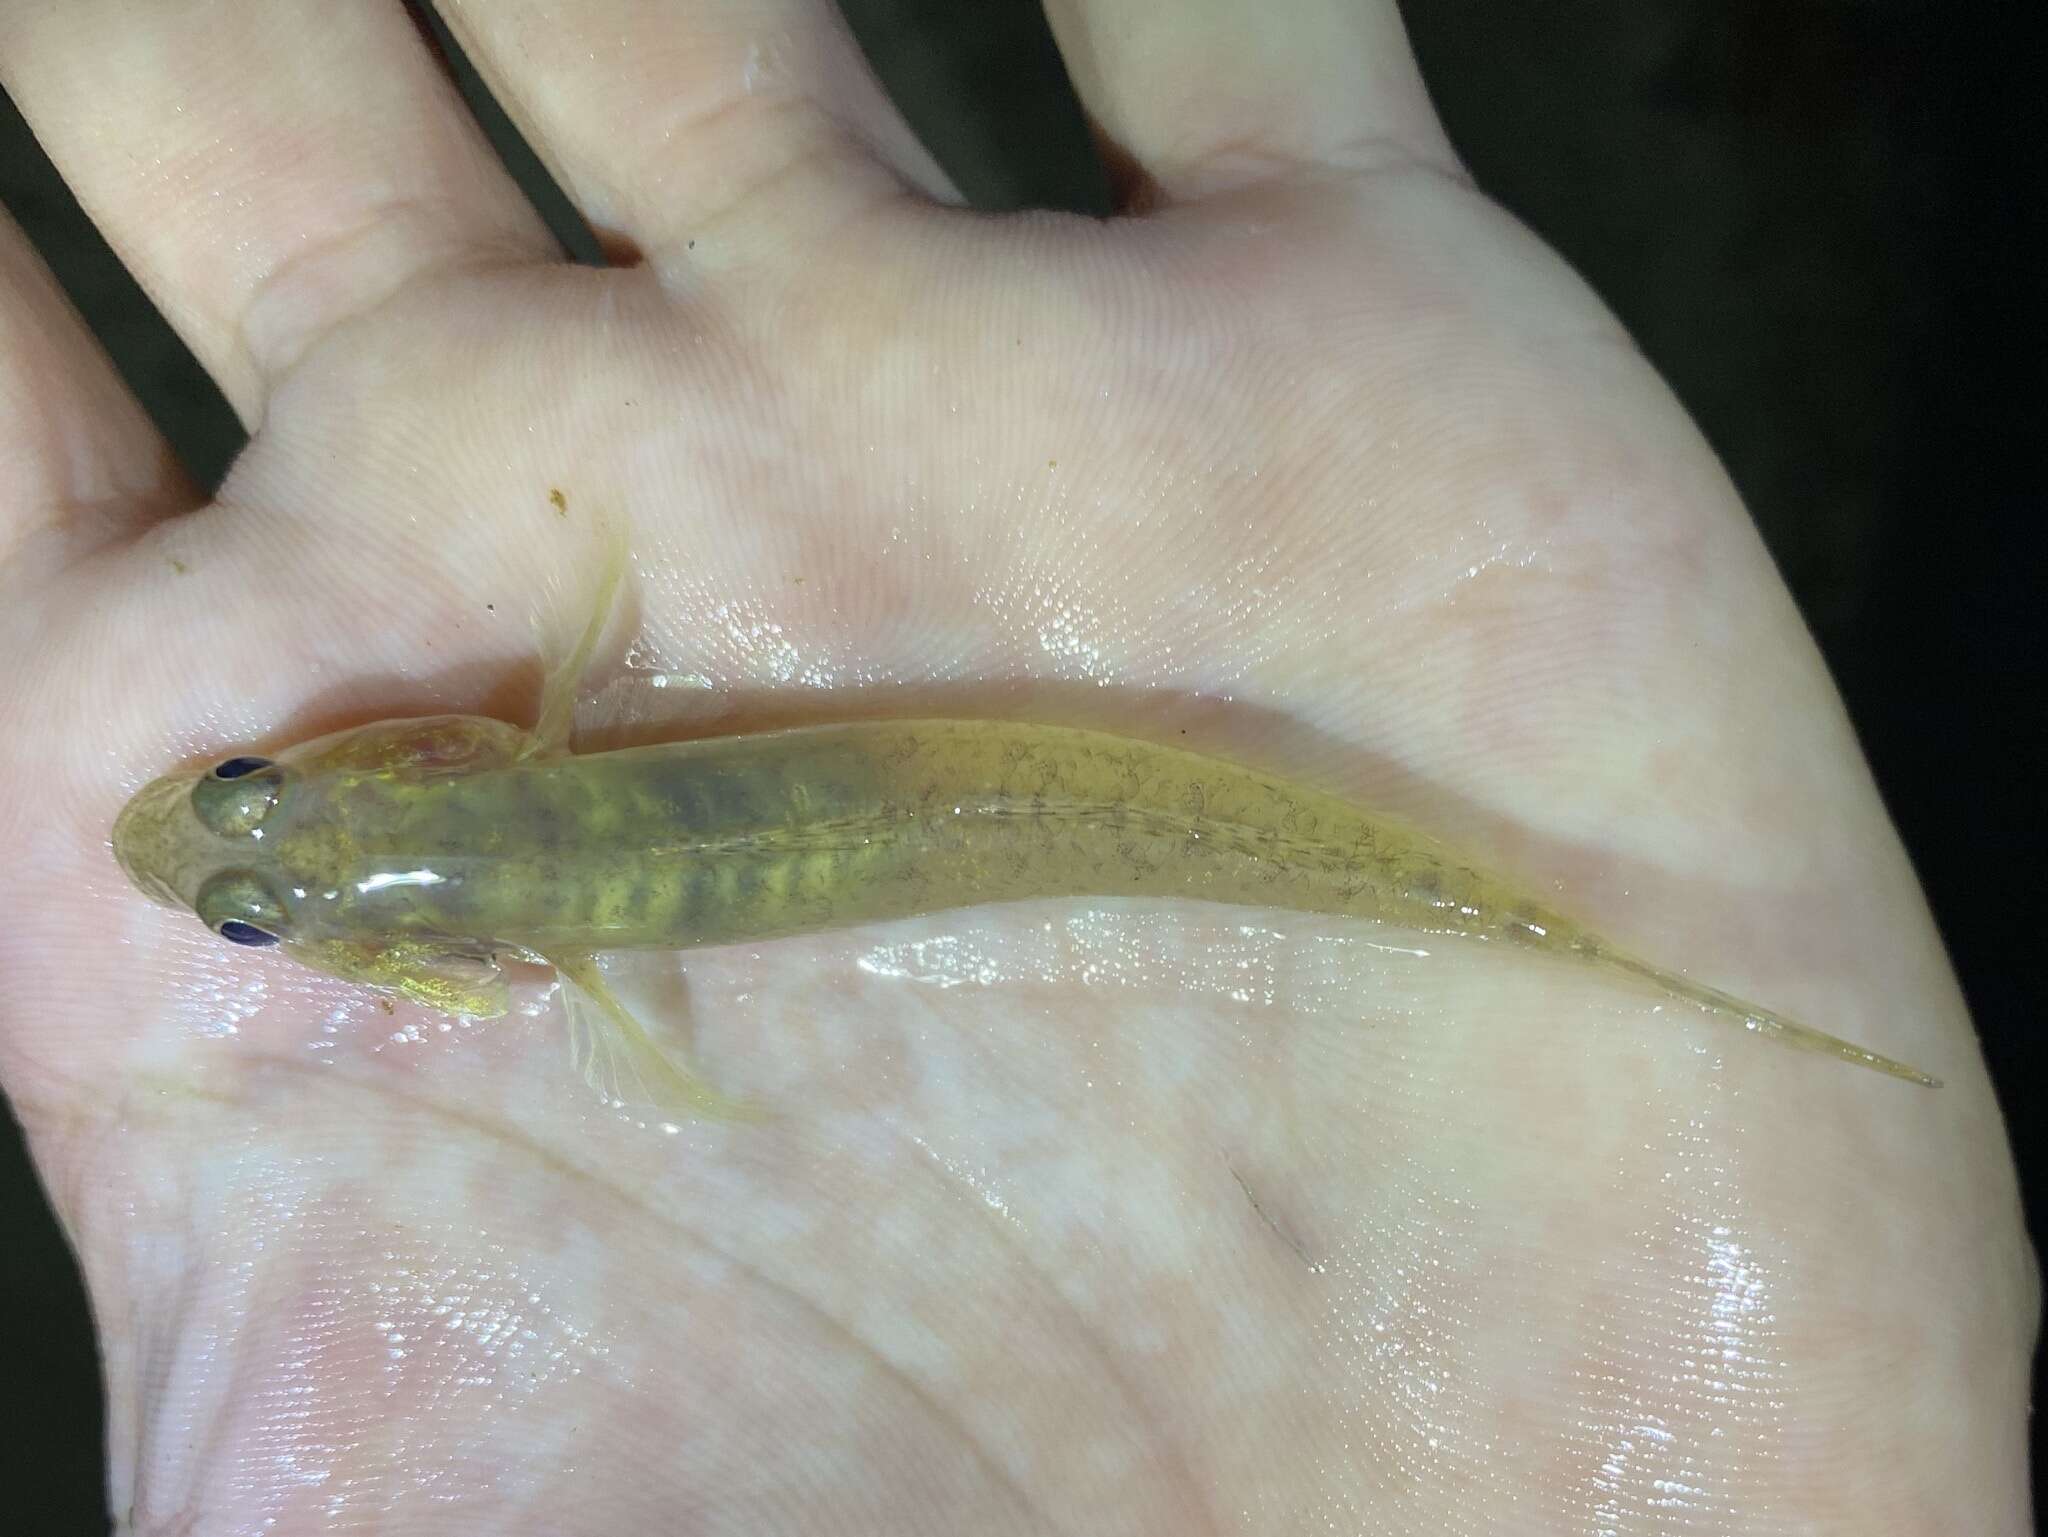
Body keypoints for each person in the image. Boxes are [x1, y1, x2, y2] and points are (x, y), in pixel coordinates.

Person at [0, 3, 2029, 1530]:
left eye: (253, 813)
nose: (236, 819)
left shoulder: (511, 922)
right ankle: (1619, 954)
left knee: (1188, 820)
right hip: (772, 814)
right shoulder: (498, 757)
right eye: (261, 865)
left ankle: (1610, 948)